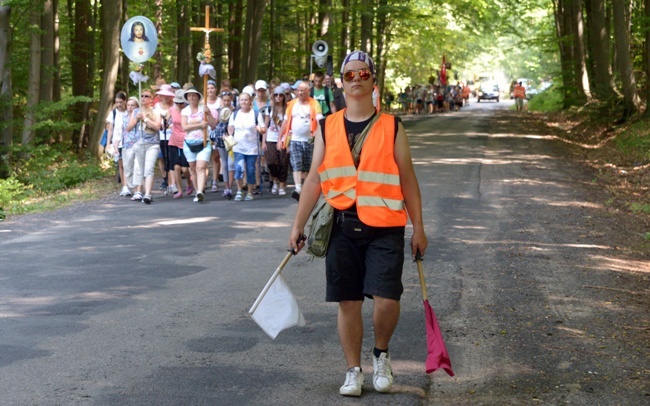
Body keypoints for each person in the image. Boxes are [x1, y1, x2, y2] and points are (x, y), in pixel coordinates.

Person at [288, 50, 428, 398]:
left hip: (385, 226)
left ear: (373, 80)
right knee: (348, 301)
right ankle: (353, 370)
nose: (356, 80)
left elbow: (408, 180)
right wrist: (298, 225)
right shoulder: (327, 125)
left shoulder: (392, 126)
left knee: (386, 298)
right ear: (341, 82)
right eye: (349, 75)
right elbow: (313, 181)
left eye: (362, 74)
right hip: (341, 225)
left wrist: (419, 228)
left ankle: (381, 354)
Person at [279, 81, 323, 202]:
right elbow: (285, 122)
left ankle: (307, 188)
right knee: (296, 163)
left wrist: (321, 136)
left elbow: (320, 120)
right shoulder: (291, 104)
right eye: (298, 90)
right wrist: (280, 138)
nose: (300, 93)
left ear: (308, 91)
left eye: (303, 91)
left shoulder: (314, 104)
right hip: (294, 139)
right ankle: (298, 188)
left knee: (308, 165)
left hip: (310, 140)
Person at [181, 88, 216, 203]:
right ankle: (197, 191)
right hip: (189, 143)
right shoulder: (185, 111)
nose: (191, 97)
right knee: (192, 168)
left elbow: (213, 125)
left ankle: (200, 191)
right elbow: (185, 127)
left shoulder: (204, 109)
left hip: (204, 142)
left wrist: (209, 114)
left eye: (193, 95)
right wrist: (200, 124)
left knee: (200, 167)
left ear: (198, 97)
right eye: (189, 96)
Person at [127, 88, 161, 204]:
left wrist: (145, 119)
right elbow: (128, 128)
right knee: (139, 168)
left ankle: (147, 194)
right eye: (142, 96)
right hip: (139, 143)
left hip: (152, 144)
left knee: (149, 168)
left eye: (146, 96)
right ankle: (138, 191)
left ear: (152, 99)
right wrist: (136, 119)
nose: (143, 98)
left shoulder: (156, 111)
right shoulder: (136, 111)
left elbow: (157, 127)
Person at [227, 92, 261, 201]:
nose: (244, 102)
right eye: (241, 100)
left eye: (246, 100)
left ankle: (250, 192)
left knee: (250, 170)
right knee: (239, 168)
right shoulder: (235, 114)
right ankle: (239, 190)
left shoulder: (256, 114)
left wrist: (261, 129)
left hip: (252, 148)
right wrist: (229, 134)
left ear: (250, 101)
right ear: (239, 101)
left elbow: (263, 128)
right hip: (238, 147)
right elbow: (230, 127)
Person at [260, 86, 290, 196]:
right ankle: (275, 180)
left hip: (283, 139)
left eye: (281, 95)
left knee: (283, 162)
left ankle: (282, 184)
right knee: (271, 162)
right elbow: (266, 125)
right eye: (276, 95)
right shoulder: (269, 109)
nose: (278, 97)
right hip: (270, 138)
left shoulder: (287, 109)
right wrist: (263, 141)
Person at [105, 91, 130, 196]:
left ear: (125, 101)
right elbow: (110, 129)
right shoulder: (113, 113)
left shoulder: (129, 112)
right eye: (117, 102)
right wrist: (108, 144)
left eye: (120, 102)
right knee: (121, 165)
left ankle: (130, 184)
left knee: (129, 164)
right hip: (117, 142)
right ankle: (125, 186)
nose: (119, 104)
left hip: (129, 142)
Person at [168, 89, 192, 199]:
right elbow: (167, 119)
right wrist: (164, 120)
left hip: (186, 139)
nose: (178, 104)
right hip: (173, 140)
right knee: (176, 167)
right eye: (177, 102)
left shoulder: (188, 110)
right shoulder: (172, 109)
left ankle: (189, 182)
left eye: (180, 102)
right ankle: (179, 190)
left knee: (185, 168)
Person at [154, 84, 176, 193]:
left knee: (171, 159)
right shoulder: (157, 106)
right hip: (161, 136)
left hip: (173, 135)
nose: (165, 97)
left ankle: (172, 183)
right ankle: (166, 179)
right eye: (163, 95)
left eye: (167, 95)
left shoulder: (175, 106)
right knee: (163, 158)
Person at [206, 79, 221, 193]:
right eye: (208, 88)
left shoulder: (219, 102)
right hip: (204, 131)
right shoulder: (203, 101)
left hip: (217, 131)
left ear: (215, 89)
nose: (210, 90)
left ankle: (215, 180)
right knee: (205, 156)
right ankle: (204, 179)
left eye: (212, 88)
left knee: (215, 157)